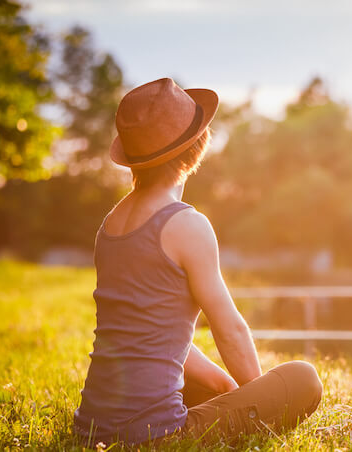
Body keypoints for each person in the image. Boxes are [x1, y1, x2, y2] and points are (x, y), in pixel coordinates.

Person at [73, 78, 323, 446]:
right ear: (196, 149)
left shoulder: (110, 224)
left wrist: (223, 385)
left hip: (92, 429)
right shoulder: (186, 224)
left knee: (211, 385)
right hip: (155, 436)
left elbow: (146, 334)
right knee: (304, 379)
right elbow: (230, 331)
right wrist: (253, 398)